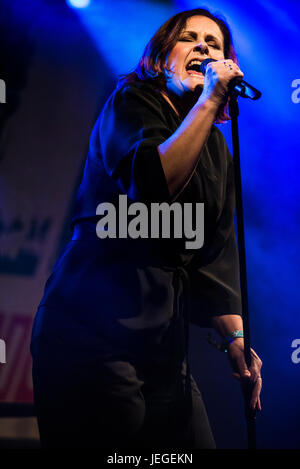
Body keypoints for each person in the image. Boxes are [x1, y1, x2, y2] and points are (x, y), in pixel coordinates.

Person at [30, 8, 262, 449]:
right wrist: (211, 100)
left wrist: (235, 337)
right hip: (91, 339)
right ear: (161, 57)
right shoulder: (131, 103)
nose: (203, 48)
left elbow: (210, 262)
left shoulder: (216, 150)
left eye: (213, 44)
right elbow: (152, 187)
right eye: (189, 39)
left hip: (165, 355)